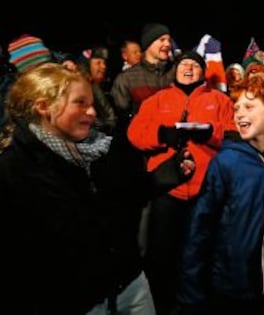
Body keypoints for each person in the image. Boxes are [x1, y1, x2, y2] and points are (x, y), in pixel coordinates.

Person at [0, 63, 155, 315]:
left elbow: (129, 202)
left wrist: (160, 178)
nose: (92, 112)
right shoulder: (13, 170)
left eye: (92, 102)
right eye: (80, 103)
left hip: (131, 285)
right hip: (74, 301)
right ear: (43, 107)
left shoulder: (104, 149)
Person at [177, 74, 264, 315]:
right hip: (229, 287)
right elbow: (200, 228)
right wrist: (191, 292)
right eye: (236, 108)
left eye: (249, 106)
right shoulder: (226, 162)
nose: (239, 113)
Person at [127, 50, 236, 315]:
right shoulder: (157, 100)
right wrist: (162, 135)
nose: (188, 68)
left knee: (203, 251)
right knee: (162, 253)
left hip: (206, 189)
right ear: (175, 70)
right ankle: (162, 304)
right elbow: (135, 134)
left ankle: (198, 306)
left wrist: (211, 134)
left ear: (202, 72)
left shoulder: (220, 100)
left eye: (194, 65)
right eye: (183, 64)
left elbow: (234, 133)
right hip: (167, 188)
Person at [111, 23, 175, 130]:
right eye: (162, 40)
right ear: (148, 43)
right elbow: (123, 117)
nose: (168, 44)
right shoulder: (126, 79)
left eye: (169, 40)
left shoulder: (177, 73)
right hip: (140, 140)